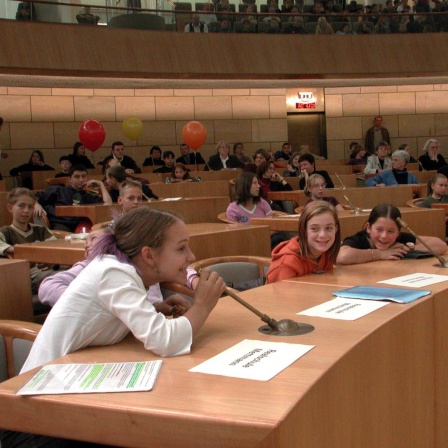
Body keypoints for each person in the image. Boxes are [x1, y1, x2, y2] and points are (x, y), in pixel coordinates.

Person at [13, 207, 225, 447]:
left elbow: (105, 316)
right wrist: (202, 305)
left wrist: (155, 307)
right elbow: (165, 341)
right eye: (181, 248)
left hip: (65, 400)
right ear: (148, 255)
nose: (191, 256)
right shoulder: (113, 272)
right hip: (35, 419)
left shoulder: (120, 271)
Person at [38, 227, 201, 309]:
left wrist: (194, 281)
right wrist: (101, 304)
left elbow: (175, 267)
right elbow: (47, 286)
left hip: (146, 320)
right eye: (87, 243)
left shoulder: (133, 261)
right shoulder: (91, 267)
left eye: (95, 238)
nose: (90, 245)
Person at [336, 203, 447, 265]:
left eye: (391, 231)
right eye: (379, 229)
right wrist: (380, 253)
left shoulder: (399, 240)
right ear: (368, 228)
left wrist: (407, 249)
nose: (384, 236)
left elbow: (441, 245)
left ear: (398, 232)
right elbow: (342, 256)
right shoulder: (359, 239)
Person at [266, 201, 341, 283]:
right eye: (314, 229)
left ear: (336, 229)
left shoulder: (326, 253)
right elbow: (282, 295)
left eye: (328, 228)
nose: (322, 235)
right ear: (304, 230)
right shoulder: (287, 263)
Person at [0, 188, 57, 294]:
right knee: (57, 278)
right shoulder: (6, 231)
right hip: (30, 278)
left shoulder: (41, 230)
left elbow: (56, 247)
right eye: (21, 206)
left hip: (48, 271)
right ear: (10, 207)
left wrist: (51, 261)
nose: (26, 211)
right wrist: (15, 249)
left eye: (30, 207)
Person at [34, 164, 112, 232]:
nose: (81, 180)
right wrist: (36, 204)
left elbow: (108, 204)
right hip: (61, 223)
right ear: (70, 179)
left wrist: (101, 184)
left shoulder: (88, 196)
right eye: (77, 177)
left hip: (80, 225)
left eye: (83, 176)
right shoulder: (59, 190)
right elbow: (35, 196)